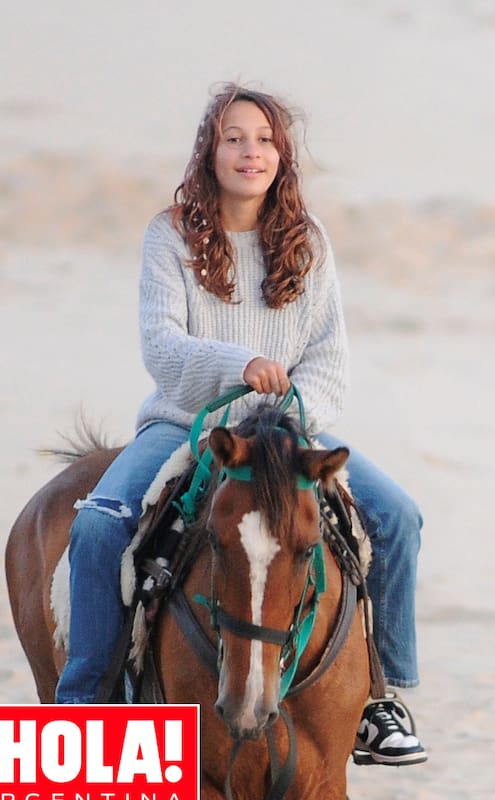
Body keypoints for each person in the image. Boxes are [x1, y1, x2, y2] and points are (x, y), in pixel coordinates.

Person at [56, 83, 427, 767]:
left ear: (282, 156)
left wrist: (287, 419)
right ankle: (84, 710)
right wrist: (241, 363)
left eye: (263, 139)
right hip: (185, 425)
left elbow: (329, 360)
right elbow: (161, 347)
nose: (249, 151)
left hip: (286, 433)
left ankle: (384, 697)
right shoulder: (170, 234)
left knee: (399, 516)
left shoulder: (308, 242)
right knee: (99, 523)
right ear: (211, 150)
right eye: (234, 137)